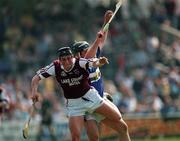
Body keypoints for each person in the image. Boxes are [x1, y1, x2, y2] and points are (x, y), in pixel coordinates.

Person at [31, 47, 131, 141]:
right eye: (63, 59)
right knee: (75, 137)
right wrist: (34, 92)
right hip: (74, 105)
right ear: (59, 60)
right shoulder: (55, 67)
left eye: (68, 58)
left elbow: (93, 63)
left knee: (117, 117)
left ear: (72, 57)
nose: (67, 62)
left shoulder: (79, 62)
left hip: (91, 97)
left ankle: (103, 97)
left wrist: (100, 61)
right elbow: (36, 78)